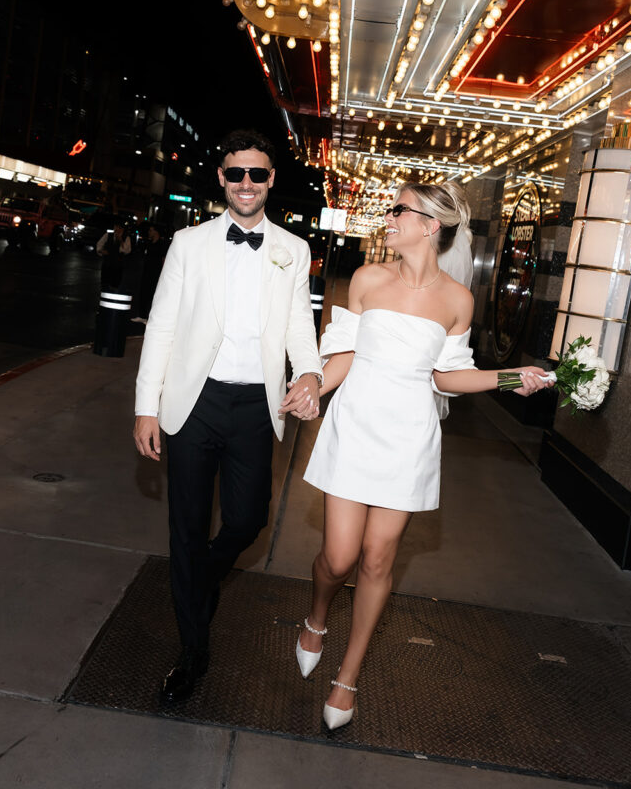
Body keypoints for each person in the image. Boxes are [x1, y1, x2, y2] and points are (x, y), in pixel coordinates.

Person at [281, 180, 548, 731]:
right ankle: (317, 615)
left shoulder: (458, 299)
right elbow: (344, 354)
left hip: (408, 437)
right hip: (355, 428)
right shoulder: (367, 279)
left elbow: (446, 375)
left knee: (379, 559)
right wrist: (311, 387)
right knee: (337, 558)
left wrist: (507, 378)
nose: (390, 216)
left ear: (432, 226)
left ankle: (347, 677)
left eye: (399, 209)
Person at [133, 129, 323, 705]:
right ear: (221, 178)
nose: (246, 183)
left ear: (270, 181)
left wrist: (309, 372)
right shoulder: (188, 244)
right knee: (186, 529)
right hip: (193, 403)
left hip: (254, 407)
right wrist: (146, 406)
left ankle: (199, 580)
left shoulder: (293, 249)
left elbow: (297, 324)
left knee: (247, 522)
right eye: (236, 173)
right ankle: (193, 655)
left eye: (257, 174)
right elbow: (162, 325)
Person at [132, 224, 168, 323]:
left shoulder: (162, 244)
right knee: (143, 293)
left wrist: (163, 274)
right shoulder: (149, 243)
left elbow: (164, 260)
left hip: (156, 274)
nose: (149, 232)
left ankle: (151, 318)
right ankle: (142, 316)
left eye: (151, 230)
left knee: (153, 296)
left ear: (156, 232)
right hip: (146, 272)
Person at [96, 220, 131, 290]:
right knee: (104, 285)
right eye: (115, 227)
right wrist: (101, 251)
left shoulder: (126, 238)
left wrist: (120, 240)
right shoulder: (108, 235)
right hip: (107, 264)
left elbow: (127, 251)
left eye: (119, 228)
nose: (116, 229)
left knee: (114, 286)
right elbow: (99, 244)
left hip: (117, 266)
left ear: (122, 229)